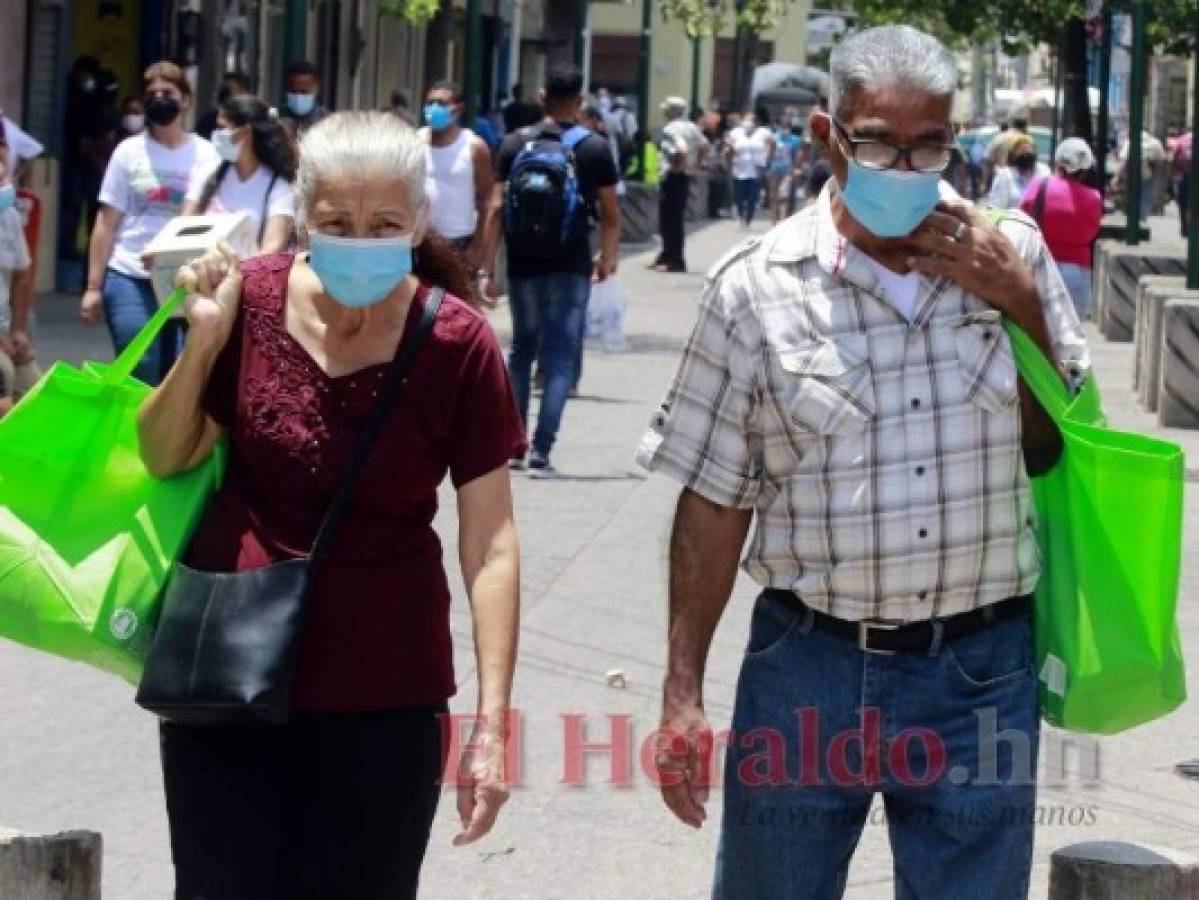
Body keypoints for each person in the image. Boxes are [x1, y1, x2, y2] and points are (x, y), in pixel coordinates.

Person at [638, 24, 1089, 899]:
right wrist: (680, 691)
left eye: (930, 145)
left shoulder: (1012, 256)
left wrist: (1021, 306)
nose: (907, 168)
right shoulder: (753, 286)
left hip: (980, 670)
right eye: (880, 143)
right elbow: (713, 500)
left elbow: (1052, 452)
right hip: (807, 668)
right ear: (826, 137)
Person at [139, 110, 523, 899]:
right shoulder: (248, 299)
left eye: (383, 222)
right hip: (230, 680)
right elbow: (163, 452)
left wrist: (492, 720)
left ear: (418, 220)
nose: (358, 238)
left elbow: (490, 544)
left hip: (386, 695)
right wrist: (203, 340)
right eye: (335, 221)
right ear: (303, 216)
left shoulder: (458, 345)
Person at [480, 66, 621, 476]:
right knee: (559, 356)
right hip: (571, 263)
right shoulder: (593, 148)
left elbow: (493, 209)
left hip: (523, 262)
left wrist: (487, 266)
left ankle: (515, 444)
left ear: (542, 97)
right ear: (579, 102)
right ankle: (543, 448)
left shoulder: (514, 143)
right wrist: (607, 258)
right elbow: (611, 214)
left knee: (522, 349)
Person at [80, 61, 220, 386]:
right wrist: (92, 286)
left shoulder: (206, 154)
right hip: (131, 273)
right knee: (141, 363)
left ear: (185, 99)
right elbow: (106, 221)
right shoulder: (128, 153)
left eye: (167, 92)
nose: (159, 99)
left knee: (183, 372)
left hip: (186, 276)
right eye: (152, 94)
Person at [181, 95, 298, 254]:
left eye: (222, 128)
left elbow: (273, 246)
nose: (216, 134)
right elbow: (184, 223)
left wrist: (238, 272)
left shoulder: (278, 186)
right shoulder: (209, 171)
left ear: (245, 132)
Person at [1019, 137, 1103, 320]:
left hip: (1039, 267)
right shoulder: (1094, 198)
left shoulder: (1039, 185)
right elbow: (1092, 232)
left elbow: (1021, 218)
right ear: (1086, 169)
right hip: (1077, 273)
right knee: (1071, 338)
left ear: (1058, 162)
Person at [419, 80, 494, 268]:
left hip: (458, 242)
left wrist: (478, 247)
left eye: (442, 104)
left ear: (457, 109)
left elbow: (487, 199)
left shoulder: (474, 147)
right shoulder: (414, 141)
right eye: (430, 103)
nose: (434, 108)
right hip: (420, 239)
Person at [652, 96, 709, 273]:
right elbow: (705, 146)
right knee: (675, 217)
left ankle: (675, 258)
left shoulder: (670, 129)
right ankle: (668, 254)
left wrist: (679, 165)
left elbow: (681, 149)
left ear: (671, 111)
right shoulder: (692, 127)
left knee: (669, 219)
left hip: (672, 176)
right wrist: (696, 164)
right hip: (685, 177)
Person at [0, 153, 38, 417]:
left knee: (37, 392)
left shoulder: (9, 217)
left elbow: (23, 273)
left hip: (5, 331)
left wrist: (18, 330)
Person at [726, 107, 772, 227]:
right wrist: (728, 156)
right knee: (739, 195)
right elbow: (728, 146)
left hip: (756, 169)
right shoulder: (736, 132)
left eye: (751, 120)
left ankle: (749, 217)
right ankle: (741, 214)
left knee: (753, 196)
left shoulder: (763, 132)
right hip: (739, 168)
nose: (748, 123)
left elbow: (770, 144)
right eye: (746, 120)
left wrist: (766, 157)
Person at [987, 133, 1049, 209]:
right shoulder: (1005, 176)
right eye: (1022, 152)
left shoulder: (1044, 172)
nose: (1026, 155)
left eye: (1028, 152)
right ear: (1013, 156)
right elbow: (995, 207)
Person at [1117, 129, 1167, 220]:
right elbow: (1160, 162)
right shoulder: (1155, 142)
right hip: (1148, 174)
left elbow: (1123, 161)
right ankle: (1141, 219)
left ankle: (1132, 218)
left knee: (1132, 197)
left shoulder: (1130, 142)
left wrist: (1116, 177)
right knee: (1145, 198)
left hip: (1131, 174)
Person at [196, 71, 251, 140]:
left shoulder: (251, 121)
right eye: (225, 88)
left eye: (231, 89)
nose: (226, 93)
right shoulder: (208, 121)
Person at [280, 61, 329, 139]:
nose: (298, 97)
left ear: (316, 89)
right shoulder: (275, 119)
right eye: (293, 91)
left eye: (304, 92)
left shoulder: (327, 122)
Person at [767, 117, 802, 222]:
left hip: (788, 171)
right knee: (774, 197)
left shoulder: (795, 140)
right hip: (774, 170)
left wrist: (796, 169)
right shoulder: (774, 138)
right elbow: (769, 154)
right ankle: (774, 220)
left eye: (787, 127)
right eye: (783, 127)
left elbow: (797, 155)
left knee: (784, 197)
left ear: (790, 128)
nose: (785, 129)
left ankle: (782, 221)